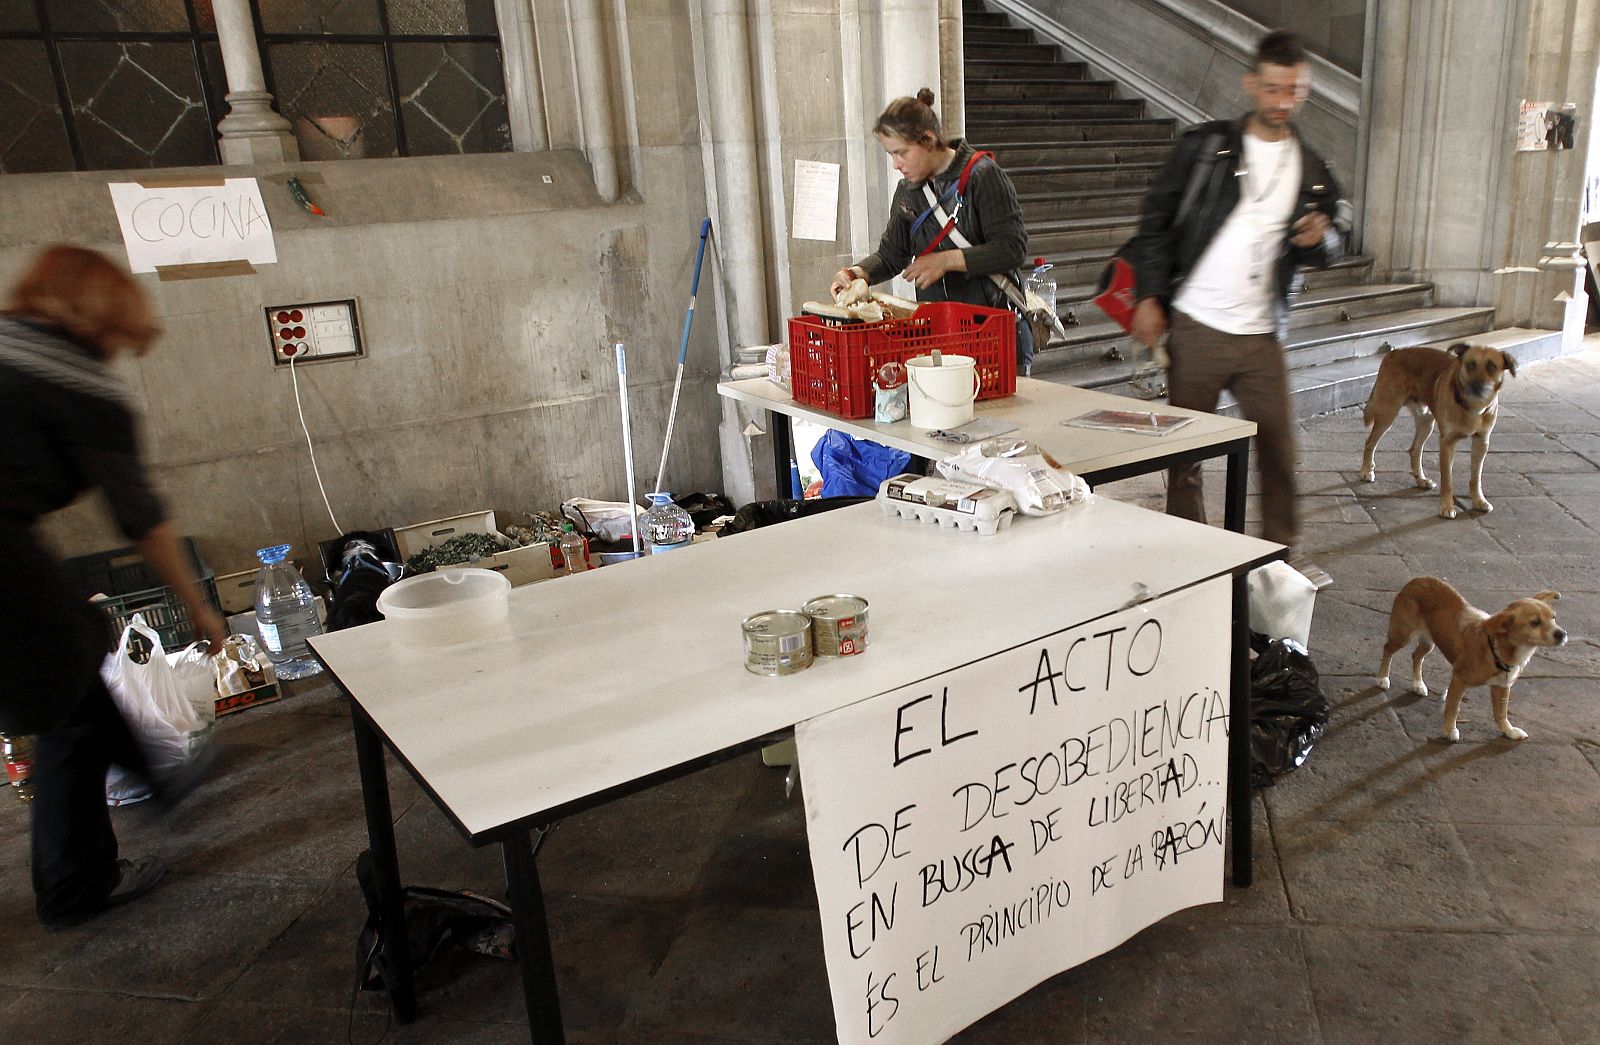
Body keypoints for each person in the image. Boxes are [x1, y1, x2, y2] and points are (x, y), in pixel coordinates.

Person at [0, 245, 225, 930]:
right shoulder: (77, 383)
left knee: (73, 654)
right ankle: (78, 879)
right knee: (70, 680)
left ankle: (159, 783)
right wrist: (199, 606)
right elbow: (144, 520)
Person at [1125, 31, 1344, 549]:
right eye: (1272, 89)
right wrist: (1150, 296)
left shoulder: (1313, 169)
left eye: (1293, 90)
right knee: (1185, 458)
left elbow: (1334, 240)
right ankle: (1193, 556)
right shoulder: (1205, 149)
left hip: (1261, 333)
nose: (1283, 102)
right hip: (1197, 325)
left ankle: (1277, 565)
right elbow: (1154, 223)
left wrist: (1323, 238)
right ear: (1252, 84)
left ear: (1305, 88)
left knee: (1280, 454)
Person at [831, 88, 1034, 373]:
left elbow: (1012, 249)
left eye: (901, 153)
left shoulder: (983, 175)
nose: (895, 164)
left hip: (994, 332)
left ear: (928, 140)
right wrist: (855, 274)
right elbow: (892, 254)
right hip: (941, 335)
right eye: (890, 154)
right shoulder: (907, 191)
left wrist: (947, 260)